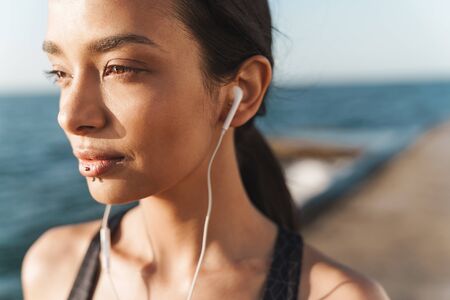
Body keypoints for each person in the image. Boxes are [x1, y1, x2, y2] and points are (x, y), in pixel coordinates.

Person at [21, 0, 389, 299]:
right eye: (60, 73)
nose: (69, 116)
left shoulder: (332, 295)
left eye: (119, 68)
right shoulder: (53, 267)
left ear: (242, 90)